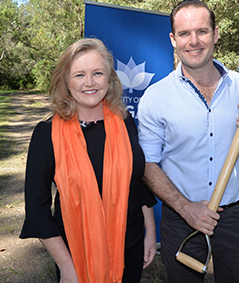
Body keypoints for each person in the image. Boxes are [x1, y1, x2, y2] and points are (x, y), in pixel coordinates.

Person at [137, 0, 239, 283]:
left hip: (233, 217)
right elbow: (147, 163)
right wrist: (186, 208)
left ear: (216, 34)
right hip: (181, 218)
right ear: (173, 39)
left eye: (202, 31)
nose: (193, 41)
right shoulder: (156, 97)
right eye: (184, 33)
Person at [20, 38, 157, 283]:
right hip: (76, 254)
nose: (90, 83)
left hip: (131, 246)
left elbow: (136, 181)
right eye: (79, 75)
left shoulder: (124, 122)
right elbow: (37, 212)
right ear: (65, 81)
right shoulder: (47, 134)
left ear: (109, 78)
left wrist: (150, 232)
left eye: (97, 73)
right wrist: (68, 269)